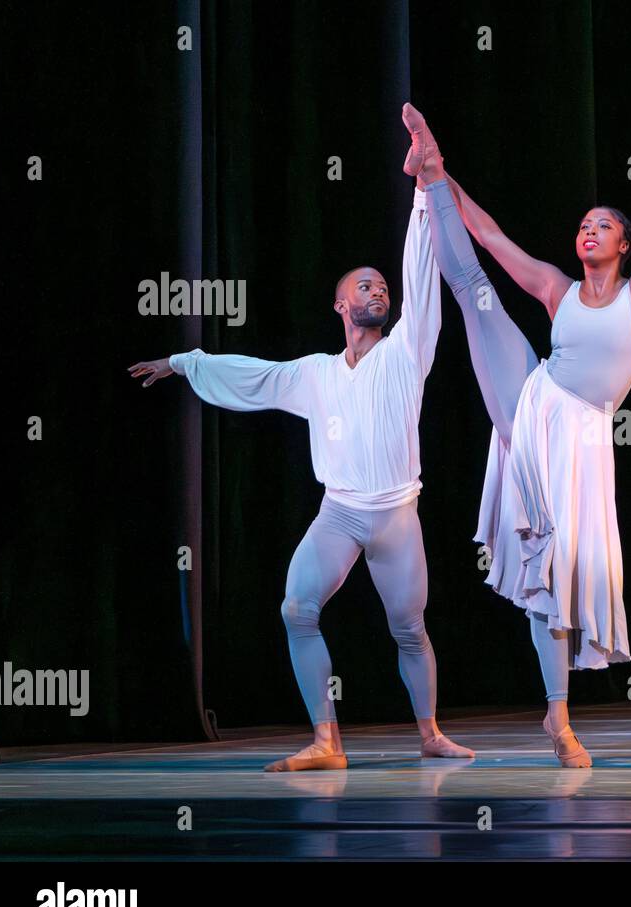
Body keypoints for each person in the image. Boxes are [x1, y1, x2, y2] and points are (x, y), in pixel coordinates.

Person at [398, 100, 631, 766]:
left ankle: (556, 720)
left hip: (582, 446)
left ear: (624, 244)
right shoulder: (557, 289)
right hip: (533, 400)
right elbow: (491, 238)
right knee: (472, 281)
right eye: (584, 225)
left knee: (554, 582)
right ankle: (433, 167)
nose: (588, 231)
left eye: (603, 227)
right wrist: (440, 177)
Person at [127, 155, 475, 771]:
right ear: (340, 305)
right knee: (296, 608)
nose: (378, 290)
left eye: (382, 286)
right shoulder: (315, 374)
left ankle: (429, 733)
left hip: (396, 516)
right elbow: (255, 377)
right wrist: (185, 362)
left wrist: (424, 198)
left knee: (408, 628)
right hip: (339, 514)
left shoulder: (405, 353)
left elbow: (422, 285)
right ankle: (326, 741)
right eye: (364, 285)